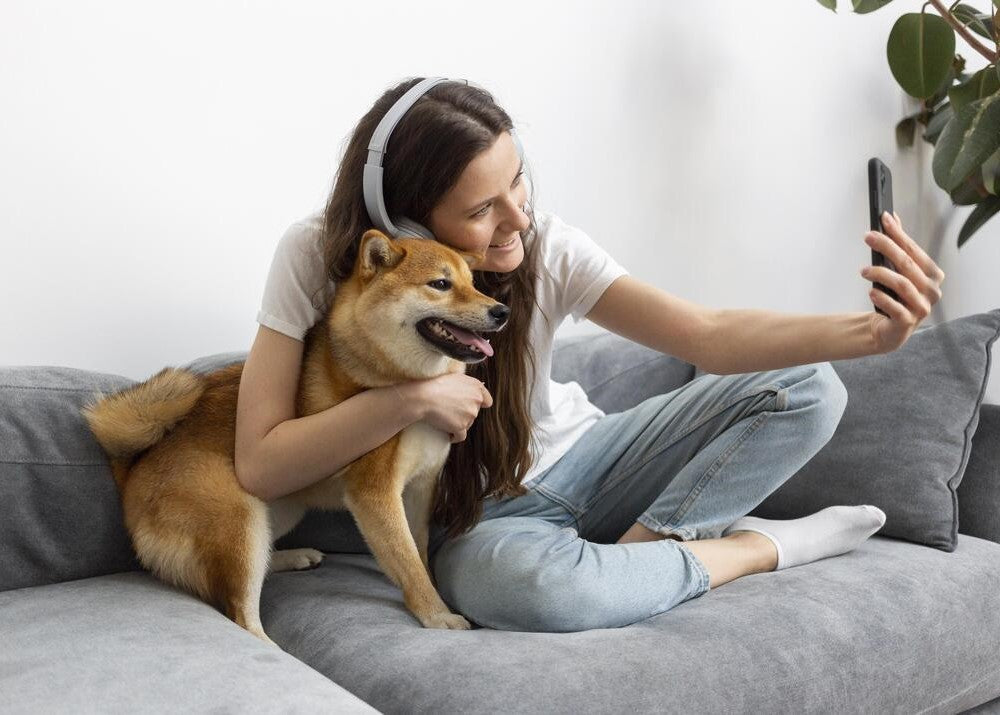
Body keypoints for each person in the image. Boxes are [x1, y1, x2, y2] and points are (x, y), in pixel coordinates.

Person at [235, 77, 946, 633]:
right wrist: (410, 400)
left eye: (517, 180)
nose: (518, 217)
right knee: (527, 590)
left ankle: (639, 558)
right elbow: (262, 462)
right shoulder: (312, 255)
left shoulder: (550, 245)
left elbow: (705, 334)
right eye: (482, 210)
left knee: (812, 388)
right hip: (491, 516)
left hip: (595, 457)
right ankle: (758, 548)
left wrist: (871, 336)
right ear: (408, 227)